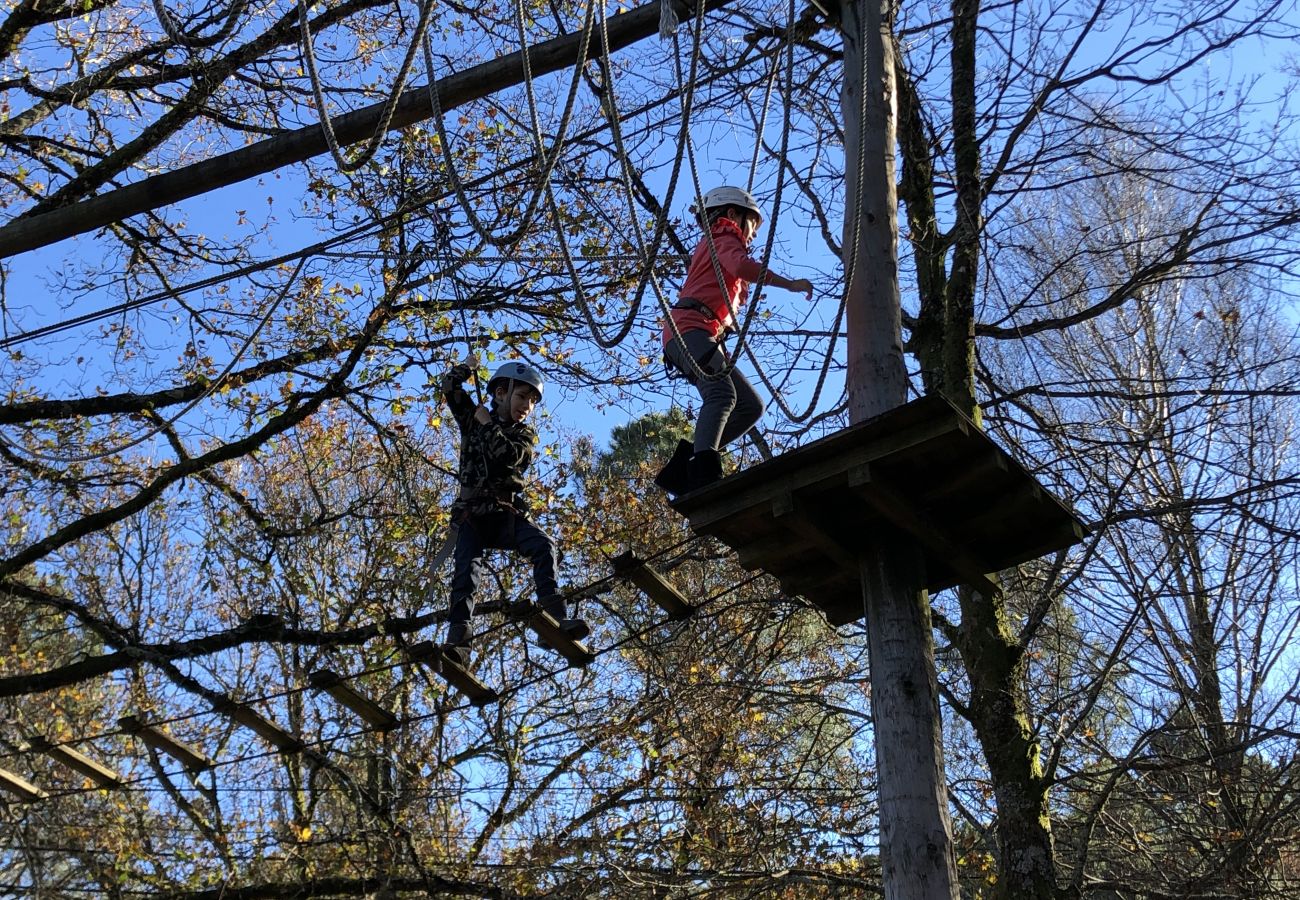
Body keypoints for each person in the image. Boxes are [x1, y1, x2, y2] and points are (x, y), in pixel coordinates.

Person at [655, 186, 813, 495]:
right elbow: (742, 266)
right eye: (752, 223)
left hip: (700, 332)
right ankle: (703, 473)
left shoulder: (714, 244)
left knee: (750, 407)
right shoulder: (723, 238)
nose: (753, 233)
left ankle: (685, 468)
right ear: (732, 215)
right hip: (689, 328)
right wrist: (788, 283)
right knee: (721, 395)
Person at [438, 359, 588, 667]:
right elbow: (449, 388)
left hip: (504, 515)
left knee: (544, 545)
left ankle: (555, 616)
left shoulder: (523, 436)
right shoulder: (472, 418)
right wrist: (465, 369)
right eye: (522, 397)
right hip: (472, 516)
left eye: (532, 401)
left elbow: (508, 456)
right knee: (465, 578)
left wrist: (487, 424)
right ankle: (459, 644)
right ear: (500, 394)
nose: (527, 406)